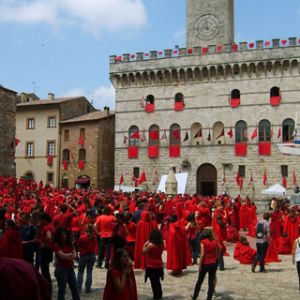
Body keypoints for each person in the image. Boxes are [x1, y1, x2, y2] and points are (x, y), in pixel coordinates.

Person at [191, 227, 219, 300]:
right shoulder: (215, 242)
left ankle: (195, 296)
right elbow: (216, 254)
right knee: (211, 282)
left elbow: (202, 254)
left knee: (200, 281)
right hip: (213, 263)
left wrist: (200, 265)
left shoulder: (203, 242)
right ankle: (209, 298)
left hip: (205, 263)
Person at [53, 228, 80, 300]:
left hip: (70, 268)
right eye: (62, 235)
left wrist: (68, 255)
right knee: (62, 290)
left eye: (65, 234)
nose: (64, 236)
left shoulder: (69, 244)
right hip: (61, 269)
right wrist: (71, 255)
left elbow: (75, 255)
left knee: (75, 289)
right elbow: (62, 256)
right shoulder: (56, 245)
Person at [143, 229, 164, 300]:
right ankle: (159, 295)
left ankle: (156, 296)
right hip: (159, 265)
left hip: (151, 266)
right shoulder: (162, 244)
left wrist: (145, 244)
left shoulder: (150, 245)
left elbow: (143, 251)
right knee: (157, 282)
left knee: (153, 283)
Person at [77, 224, 97, 294]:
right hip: (91, 255)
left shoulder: (82, 237)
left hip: (83, 255)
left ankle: (78, 287)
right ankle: (88, 288)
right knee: (89, 271)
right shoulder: (94, 237)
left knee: (80, 272)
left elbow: (78, 245)